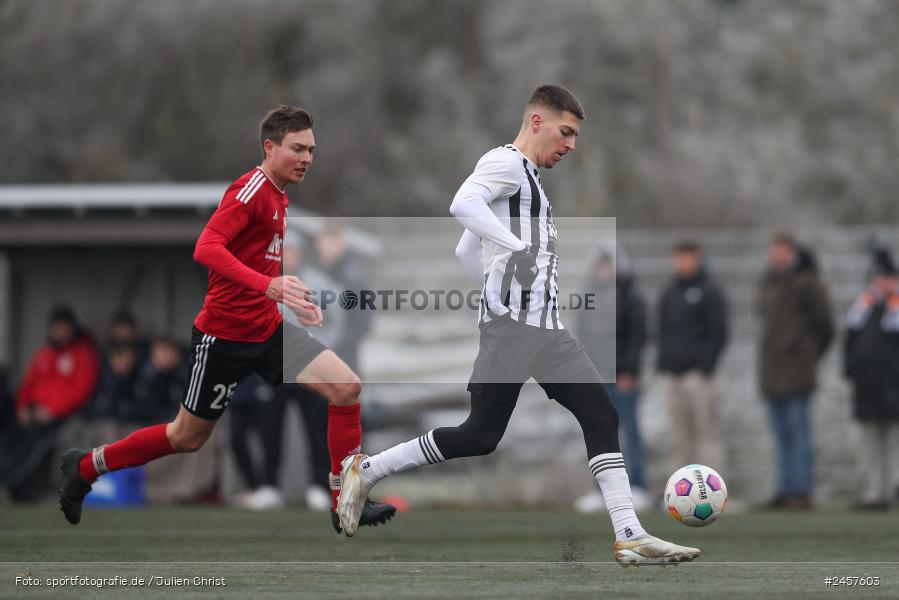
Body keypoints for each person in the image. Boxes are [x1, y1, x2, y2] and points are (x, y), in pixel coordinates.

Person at [336, 85, 700, 565]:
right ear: (535, 122)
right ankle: (368, 468)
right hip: (514, 332)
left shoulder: (529, 177)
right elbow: (462, 204)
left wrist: (496, 280)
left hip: (545, 331)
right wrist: (511, 254)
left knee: (601, 414)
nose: (571, 145)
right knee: (480, 436)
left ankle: (629, 533)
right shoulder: (506, 163)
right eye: (565, 132)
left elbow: (466, 250)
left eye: (575, 136)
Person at [59, 106, 395, 532]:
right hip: (223, 339)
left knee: (346, 387)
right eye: (297, 148)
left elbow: (254, 263)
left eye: (311, 149)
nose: (307, 157)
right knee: (186, 437)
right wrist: (268, 286)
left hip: (269, 331)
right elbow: (207, 248)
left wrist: (289, 299)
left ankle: (343, 501)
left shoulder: (279, 194)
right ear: (269, 147)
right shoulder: (250, 189)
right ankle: (86, 467)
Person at [757, 232, 834, 509]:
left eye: (782, 250)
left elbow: (825, 326)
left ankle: (801, 490)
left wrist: (808, 354)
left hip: (798, 372)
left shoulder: (807, 282)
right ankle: (784, 487)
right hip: (772, 372)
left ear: (792, 252)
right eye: (774, 249)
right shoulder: (768, 280)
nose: (777, 255)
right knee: (780, 434)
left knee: (799, 432)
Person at [575, 245, 650, 512]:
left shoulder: (631, 297)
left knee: (630, 431)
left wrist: (629, 371)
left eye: (610, 264)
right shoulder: (589, 296)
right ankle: (602, 490)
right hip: (597, 377)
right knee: (599, 433)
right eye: (602, 264)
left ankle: (639, 486)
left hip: (623, 377)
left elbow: (637, 337)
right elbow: (581, 335)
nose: (605, 269)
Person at [1, 307, 99, 501]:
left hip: (61, 418)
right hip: (33, 415)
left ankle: (13, 486)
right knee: (10, 443)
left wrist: (52, 411)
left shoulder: (83, 355)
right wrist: (22, 407)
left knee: (37, 450)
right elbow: (27, 384)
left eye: (63, 327)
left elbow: (80, 392)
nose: (59, 332)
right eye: (56, 328)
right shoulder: (44, 354)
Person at [657, 241, 728, 474]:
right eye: (679, 257)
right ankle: (679, 490)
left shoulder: (709, 290)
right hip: (673, 375)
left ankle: (713, 488)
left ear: (697, 259)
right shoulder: (670, 291)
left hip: (698, 376)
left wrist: (704, 367)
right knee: (679, 438)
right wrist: (664, 364)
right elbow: (662, 330)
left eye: (688, 257)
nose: (683, 263)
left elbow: (719, 331)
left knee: (705, 434)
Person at [843, 249, 899, 510]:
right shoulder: (863, 305)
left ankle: (893, 488)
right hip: (867, 386)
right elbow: (850, 340)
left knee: (893, 439)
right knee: (869, 440)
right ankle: (874, 492)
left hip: (893, 385)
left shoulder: (896, 306)